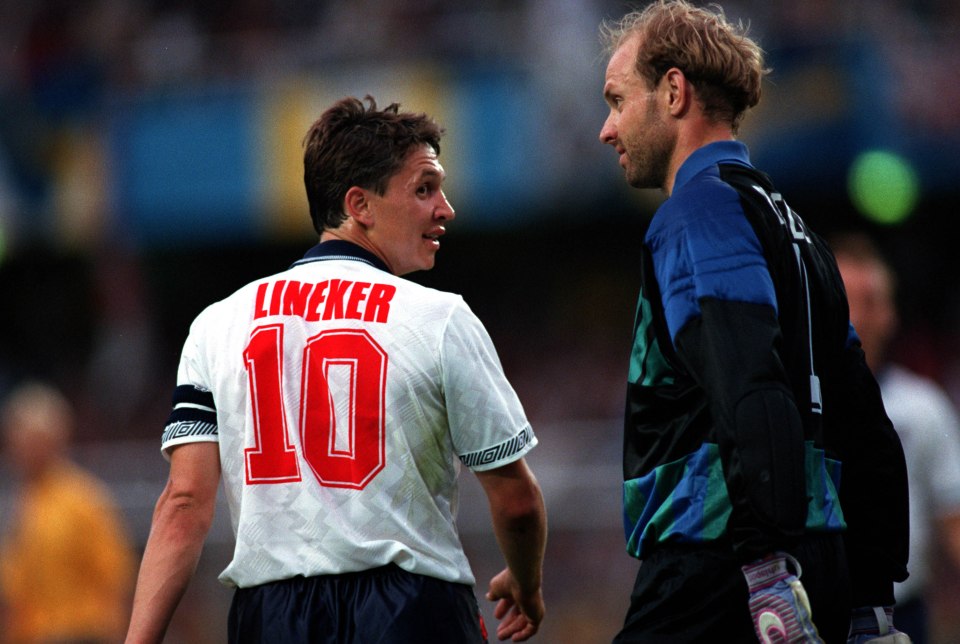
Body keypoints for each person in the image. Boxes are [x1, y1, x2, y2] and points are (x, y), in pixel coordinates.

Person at [124, 95, 547, 644]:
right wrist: (527, 582)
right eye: (424, 188)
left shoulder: (217, 324)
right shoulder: (439, 318)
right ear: (360, 205)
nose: (446, 209)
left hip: (269, 616)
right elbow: (515, 501)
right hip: (410, 610)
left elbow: (183, 505)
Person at [597, 2, 910, 642]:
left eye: (617, 100)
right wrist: (871, 602)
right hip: (816, 556)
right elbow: (865, 424)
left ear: (674, 91)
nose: (607, 128)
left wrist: (766, 567)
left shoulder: (700, 212)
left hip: (721, 565)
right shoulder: (798, 231)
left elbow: (748, 382)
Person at [832, 232, 960, 644]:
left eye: (873, 301)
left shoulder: (922, 407)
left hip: (902, 613)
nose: (864, 317)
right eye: (853, 300)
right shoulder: (791, 408)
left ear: (891, 314)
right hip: (812, 613)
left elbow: (954, 523)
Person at [0, 381, 136, 643]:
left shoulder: (82, 499)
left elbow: (118, 575)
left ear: (52, 440)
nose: (18, 450)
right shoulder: (24, 500)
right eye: (14, 439)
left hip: (81, 634)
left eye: (28, 439)